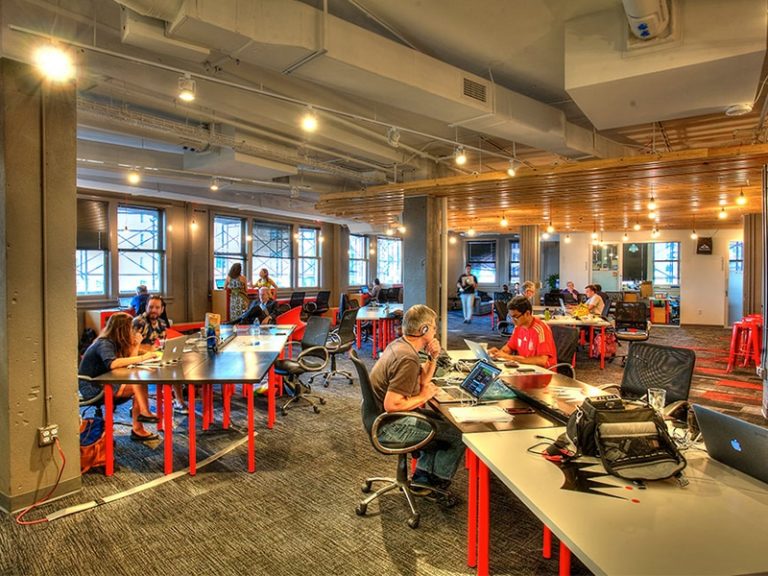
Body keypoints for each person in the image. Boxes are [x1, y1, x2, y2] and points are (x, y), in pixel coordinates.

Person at [369, 304, 464, 495]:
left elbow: (422, 381)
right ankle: (436, 484)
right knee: (458, 434)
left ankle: (423, 477)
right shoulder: (407, 358)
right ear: (425, 330)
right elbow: (392, 404)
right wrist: (424, 396)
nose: (436, 331)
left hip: (380, 417)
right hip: (391, 424)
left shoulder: (400, 345)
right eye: (434, 327)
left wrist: (433, 357)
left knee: (445, 423)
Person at [78, 313, 161, 441]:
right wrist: (143, 357)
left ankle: (141, 422)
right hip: (92, 387)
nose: (132, 331)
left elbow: (128, 363)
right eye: (130, 328)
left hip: (105, 381)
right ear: (122, 329)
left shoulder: (114, 342)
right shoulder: (104, 343)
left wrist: (136, 345)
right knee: (137, 385)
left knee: (139, 382)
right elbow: (113, 364)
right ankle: (141, 421)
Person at [133, 295, 188, 414]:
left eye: (157, 307)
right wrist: (150, 351)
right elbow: (131, 346)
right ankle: (142, 407)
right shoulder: (138, 322)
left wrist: (162, 350)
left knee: (174, 365)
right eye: (151, 307)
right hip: (137, 359)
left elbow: (161, 344)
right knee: (168, 370)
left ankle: (179, 401)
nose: (153, 310)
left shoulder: (161, 323)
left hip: (153, 358)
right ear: (146, 307)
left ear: (162, 309)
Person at [488, 296, 557, 368]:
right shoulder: (518, 326)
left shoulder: (541, 329)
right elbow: (510, 347)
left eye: (515, 317)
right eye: (511, 317)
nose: (512, 320)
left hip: (544, 372)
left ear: (527, 313)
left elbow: (542, 361)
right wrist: (499, 353)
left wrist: (510, 357)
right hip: (525, 367)